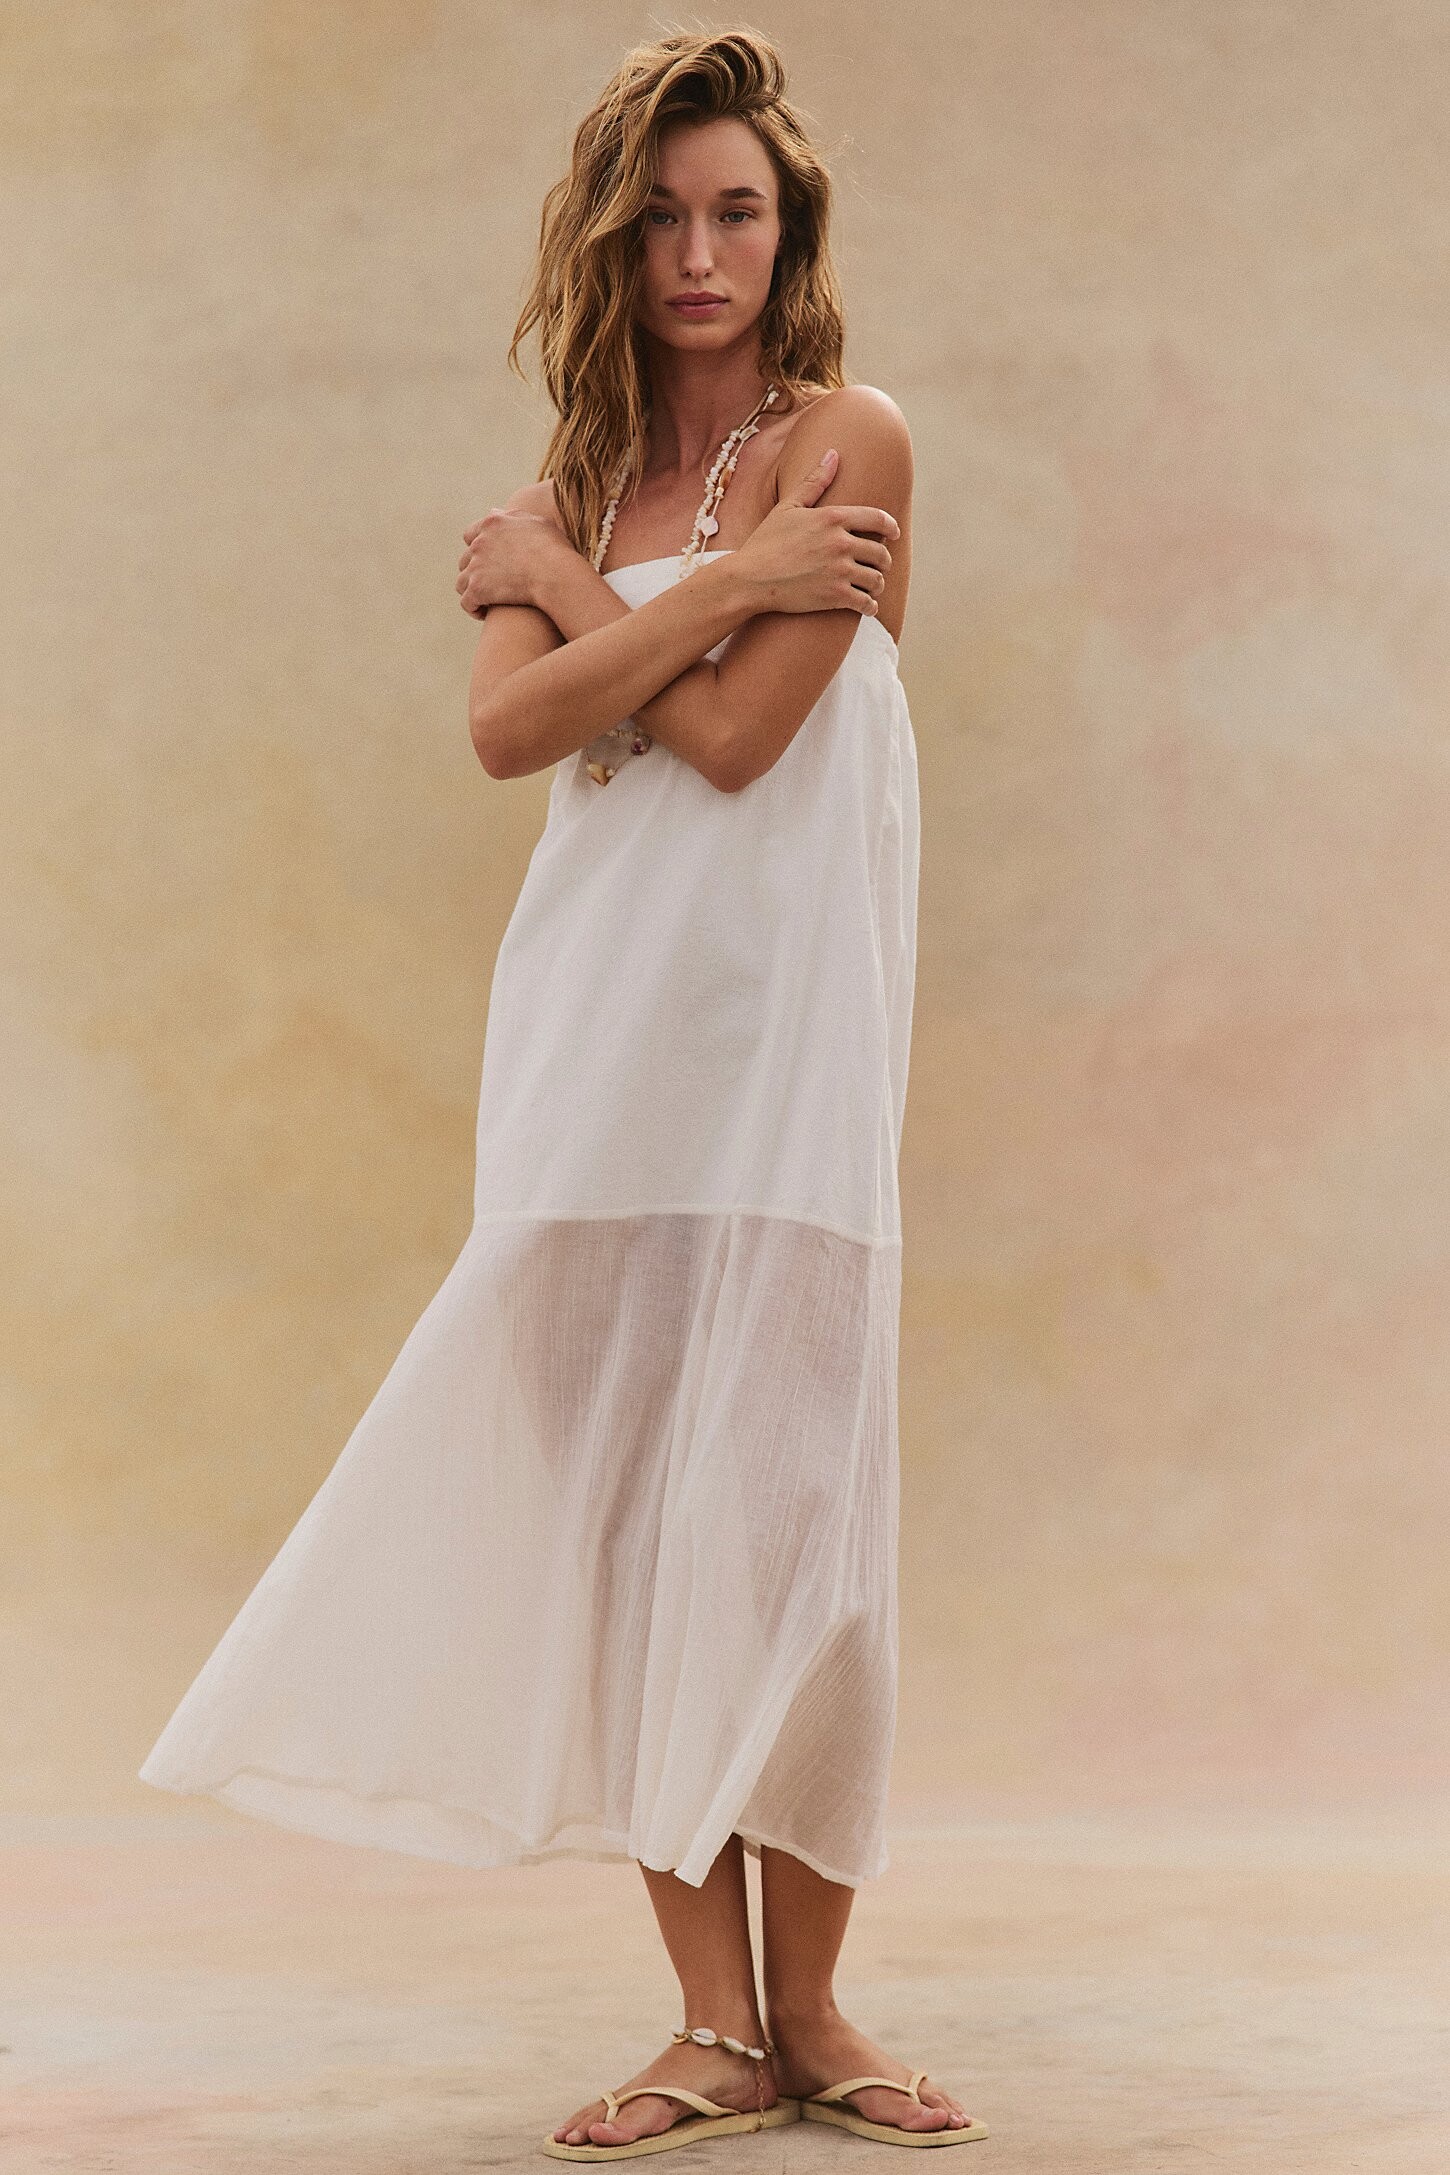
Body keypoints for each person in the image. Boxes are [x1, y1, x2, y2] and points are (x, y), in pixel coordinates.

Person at [139, 26, 985, 2160]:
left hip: (784, 1067)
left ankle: (815, 2006)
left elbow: (736, 742)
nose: (699, 252)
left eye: (738, 212)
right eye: (662, 216)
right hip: (593, 1053)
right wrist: (685, 592)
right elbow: (514, 739)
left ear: (787, 235)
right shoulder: (570, 483)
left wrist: (610, 602)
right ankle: (713, 2024)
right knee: (624, 1526)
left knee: (791, 1526)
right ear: (609, 243)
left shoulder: (846, 441)